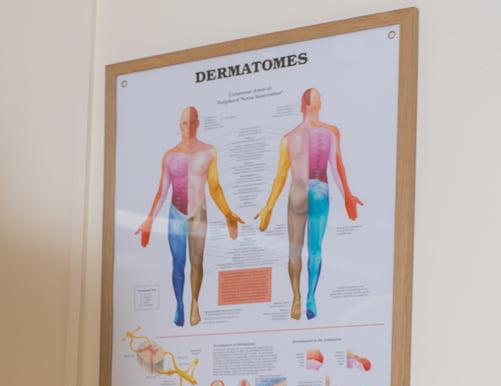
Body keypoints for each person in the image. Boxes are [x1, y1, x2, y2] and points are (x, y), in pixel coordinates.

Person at [256, 87, 363, 321]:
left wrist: (269, 207)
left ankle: (296, 297)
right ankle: (310, 298)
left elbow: (280, 177)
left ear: (301, 106)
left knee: (294, 249)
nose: (321, 101)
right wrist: (347, 194)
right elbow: (336, 167)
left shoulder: (289, 138)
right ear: (316, 105)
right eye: (320, 98)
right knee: (315, 249)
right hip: (319, 189)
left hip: (297, 189)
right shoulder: (331, 132)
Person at [133, 105, 243, 327]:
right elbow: (162, 191)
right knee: (177, 262)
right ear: (179, 125)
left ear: (198, 124)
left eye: (193, 123)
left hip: (198, 212)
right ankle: (179, 305)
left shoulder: (208, 152)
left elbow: (215, 187)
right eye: (185, 123)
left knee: (197, 261)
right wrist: (149, 220)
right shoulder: (170, 155)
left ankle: (194, 303)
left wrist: (228, 213)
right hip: (176, 213)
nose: (189, 127)